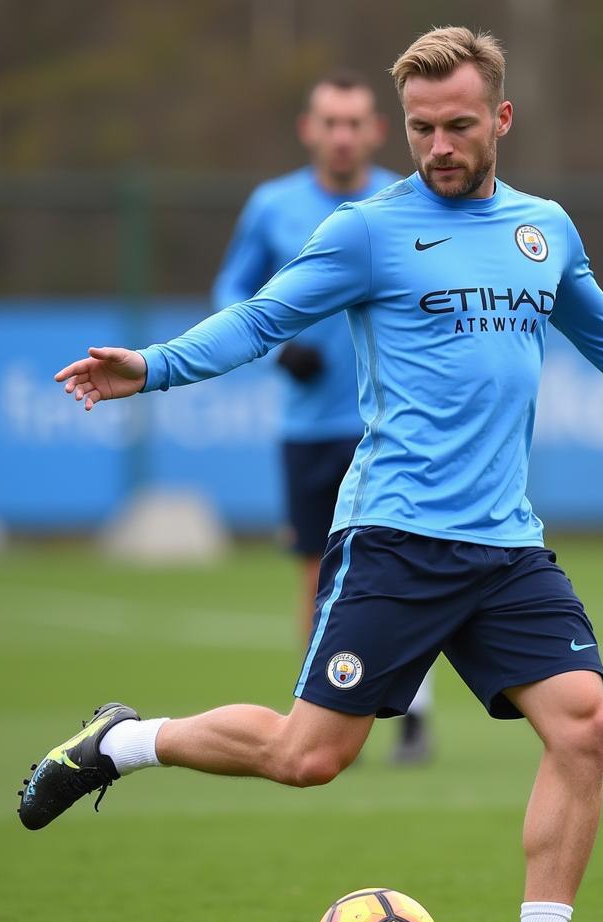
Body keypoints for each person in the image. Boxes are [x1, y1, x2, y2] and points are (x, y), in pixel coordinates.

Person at [22, 27, 603, 922]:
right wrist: (151, 367)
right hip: (395, 537)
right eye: (420, 128)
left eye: (457, 125)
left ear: (501, 119)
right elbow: (263, 317)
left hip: (506, 545)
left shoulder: (544, 231)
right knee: (307, 757)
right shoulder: (368, 229)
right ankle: (120, 741)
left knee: (585, 726)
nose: (437, 146)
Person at [213, 70, 433, 763]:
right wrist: (279, 350)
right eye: (329, 122)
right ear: (311, 129)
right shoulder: (272, 206)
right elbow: (231, 289)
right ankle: (325, 710)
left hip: (390, 425)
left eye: (355, 123)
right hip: (309, 426)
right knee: (318, 572)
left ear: (375, 130)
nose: (342, 136)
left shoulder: (410, 201)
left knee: (415, 562)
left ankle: (414, 713)